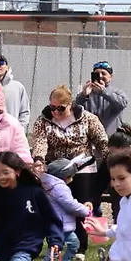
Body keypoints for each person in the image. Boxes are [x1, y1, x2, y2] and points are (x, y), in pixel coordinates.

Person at [29, 85, 108, 213]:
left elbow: (101, 141)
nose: (56, 112)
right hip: (57, 169)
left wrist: (109, 158)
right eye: (52, 108)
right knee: (59, 206)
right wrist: (39, 159)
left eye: (61, 108)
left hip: (83, 166)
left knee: (83, 205)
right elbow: (40, 142)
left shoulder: (88, 118)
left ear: (70, 105)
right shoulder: (42, 121)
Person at [72, 61, 129, 135]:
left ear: (111, 76)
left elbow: (122, 103)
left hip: (111, 137)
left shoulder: (116, 92)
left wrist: (103, 91)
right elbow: (74, 109)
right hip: (91, 136)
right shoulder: (88, 92)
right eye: (97, 73)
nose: (100, 76)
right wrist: (83, 95)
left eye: (103, 73)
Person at [0, 53, 30, 126]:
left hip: (13, 130)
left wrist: (20, 128)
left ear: (7, 67)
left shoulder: (18, 87)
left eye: (1, 63)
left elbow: (24, 112)